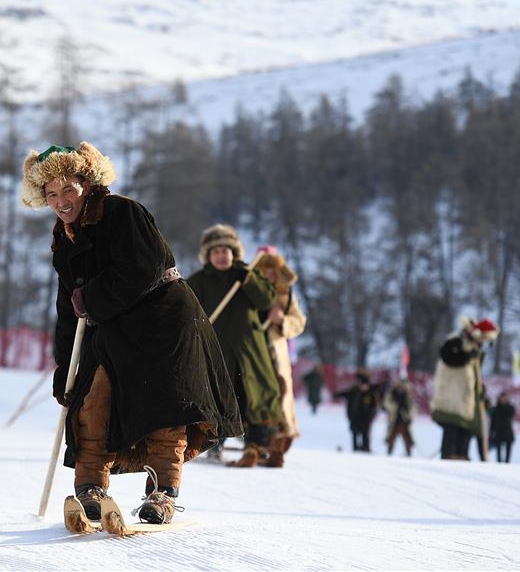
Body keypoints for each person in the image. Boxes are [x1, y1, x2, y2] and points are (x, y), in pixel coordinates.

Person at [21, 141, 242, 526]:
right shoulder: (63, 238)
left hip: (163, 320)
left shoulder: (123, 212)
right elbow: (66, 308)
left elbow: (145, 267)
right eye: (52, 194)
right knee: (91, 400)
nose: (61, 201)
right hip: (111, 327)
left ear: (86, 184)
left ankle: (163, 493)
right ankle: (90, 489)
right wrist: (64, 371)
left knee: (164, 407)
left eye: (68, 189)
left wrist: (91, 295)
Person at [187, 224, 284, 468]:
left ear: (234, 252)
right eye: (216, 251)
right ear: (208, 255)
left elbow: (267, 299)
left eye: (226, 250)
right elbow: (186, 311)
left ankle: (257, 444)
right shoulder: (199, 281)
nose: (221, 255)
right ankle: (213, 444)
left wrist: (250, 280)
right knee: (218, 395)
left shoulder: (247, 275)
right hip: (216, 350)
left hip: (250, 351)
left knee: (255, 396)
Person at [255, 245, 307, 467]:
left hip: (276, 352)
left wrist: (282, 321)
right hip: (252, 350)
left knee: (279, 392)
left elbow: (299, 321)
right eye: (263, 267)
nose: (268, 273)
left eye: (271, 268)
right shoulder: (247, 287)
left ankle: (276, 445)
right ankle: (255, 442)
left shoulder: (286, 293)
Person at [430, 317, 499, 460]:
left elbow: (475, 376)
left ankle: (462, 456)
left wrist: (481, 394)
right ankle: (449, 456)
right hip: (451, 394)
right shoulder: (457, 341)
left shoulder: (475, 349)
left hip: (467, 397)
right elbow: (447, 356)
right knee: (452, 426)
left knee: (467, 428)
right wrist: (467, 356)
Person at [334, 369, 380, 452]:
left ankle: (366, 448)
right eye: (362, 385)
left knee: (365, 433)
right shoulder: (354, 391)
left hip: (366, 418)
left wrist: (371, 415)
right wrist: (337, 394)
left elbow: (374, 406)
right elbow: (345, 394)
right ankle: (355, 448)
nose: (364, 387)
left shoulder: (371, 394)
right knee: (355, 432)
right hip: (355, 417)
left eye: (365, 385)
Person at [383, 378, 416, 456]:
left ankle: (408, 452)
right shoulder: (391, 393)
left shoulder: (408, 394)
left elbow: (413, 407)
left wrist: (409, 416)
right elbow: (386, 403)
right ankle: (389, 451)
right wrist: (395, 407)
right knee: (391, 436)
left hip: (404, 419)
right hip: (394, 419)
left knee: (407, 437)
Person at [489, 391, 516, 463]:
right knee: (498, 453)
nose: (503, 399)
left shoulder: (510, 408)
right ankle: (499, 464)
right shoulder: (495, 409)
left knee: (508, 453)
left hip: (508, 433)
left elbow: (511, 413)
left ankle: (507, 463)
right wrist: (491, 433)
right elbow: (492, 422)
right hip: (498, 433)